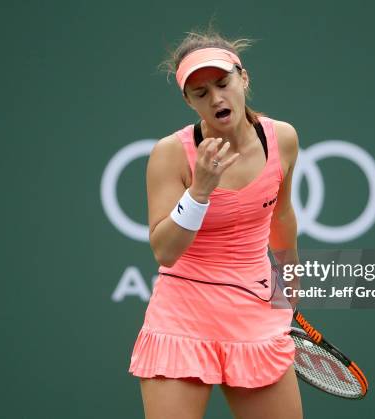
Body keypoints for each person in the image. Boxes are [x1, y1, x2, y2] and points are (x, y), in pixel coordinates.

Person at [128, 28, 303, 419]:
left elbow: (282, 214)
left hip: (255, 312)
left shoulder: (283, 139)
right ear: (188, 101)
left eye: (223, 83)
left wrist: (288, 283)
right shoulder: (170, 155)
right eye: (200, 93)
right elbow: (165, 251)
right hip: (182, 319)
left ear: (244, 78)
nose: (216, 98)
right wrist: (200, 191)